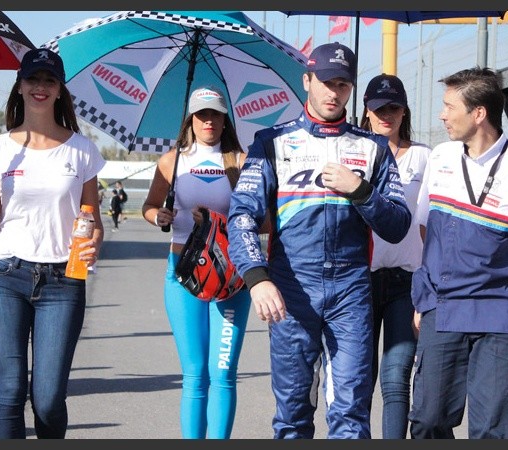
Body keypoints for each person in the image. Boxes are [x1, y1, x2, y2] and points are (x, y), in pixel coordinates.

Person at [226, 42, 411, 439]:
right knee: (293, 414)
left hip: (350, 291)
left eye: (343, 84)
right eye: (326, 82)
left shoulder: (373, 147)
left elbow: (397, 225)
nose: (333, 93)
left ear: (351, 89)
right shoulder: (270, 142)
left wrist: (360, 191)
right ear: (307, 80)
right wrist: (257, 279)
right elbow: (241, 216)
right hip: (292, 290)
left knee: (350, 413)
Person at [408, 67, 508, 439]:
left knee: (493, 431)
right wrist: (424, 298)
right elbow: (427, 228)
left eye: (449, 106)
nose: (442, 115)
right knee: (428, 420)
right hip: (443, 308)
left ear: (479, 113)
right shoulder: (441, 158)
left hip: (500, 314)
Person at [0, 48, 106, 439]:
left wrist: (93, 239)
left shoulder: (83, 150)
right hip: (3, 275)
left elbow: (90, 219)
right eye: (33, 79)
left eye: (49, 80)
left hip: (64, 279)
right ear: (20, 86)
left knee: (47, 398)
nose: (40, 87)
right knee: (8, 391)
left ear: (60, 90)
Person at [142, 85, 252, 439]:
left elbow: (263, 219)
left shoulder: (240, 160)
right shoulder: (172, 161)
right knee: (194, 374)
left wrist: (225, 220)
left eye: (215, 114)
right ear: (190, 119)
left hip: (231, 281)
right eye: (202, 114)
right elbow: (149, 206)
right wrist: (158, 216)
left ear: (225, 119)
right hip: (183, 276)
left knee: (222, 372)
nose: (208, 121)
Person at [359, 74, 431, 439]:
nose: (386, 114)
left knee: (395, 377)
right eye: (378, 108)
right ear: (366, 112)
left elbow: (430, 226)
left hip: (408, 281)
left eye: (394, 108)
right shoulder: (354, 151)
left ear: (404, 112)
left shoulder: (424, 156)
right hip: (360, 281)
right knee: (360, 376)